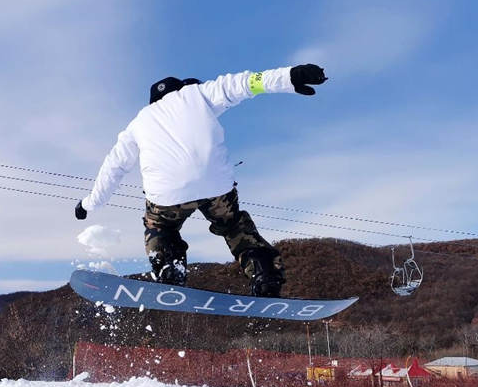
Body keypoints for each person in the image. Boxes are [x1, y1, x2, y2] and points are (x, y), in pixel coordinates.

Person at [75, 64, 328, 297]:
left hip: (166, 195)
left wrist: (88, 204)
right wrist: (289, 76)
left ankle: (170, 269)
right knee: (233, 226)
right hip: (216, 186)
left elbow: (114, 167)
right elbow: (245, 83)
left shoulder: (138, 122)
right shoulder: (198, 94)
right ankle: (265, 273)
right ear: (181, 88)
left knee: (161, 227)